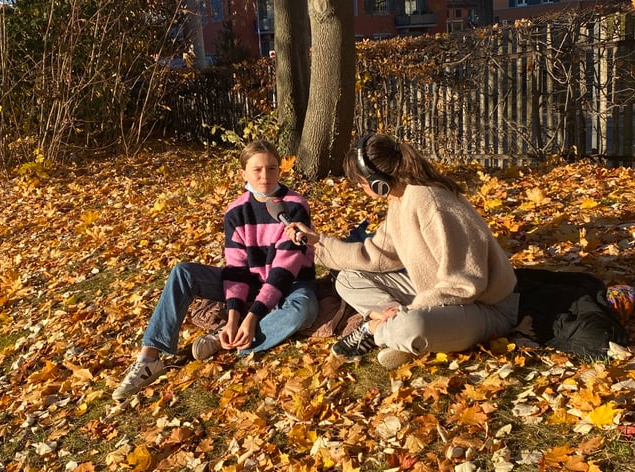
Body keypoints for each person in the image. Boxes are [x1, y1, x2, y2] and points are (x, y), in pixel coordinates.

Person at [286, 133, 519, 370]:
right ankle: (397, 329)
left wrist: (411, 311)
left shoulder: (433, 204)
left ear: (378, 180)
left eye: (360, 182)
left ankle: (376, 329)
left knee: (412, 326)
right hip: (434, 296)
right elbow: (376, 255)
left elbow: (463, 284)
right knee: (347, 278)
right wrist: (318, 243)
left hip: (484, 308)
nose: (359, 187)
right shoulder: (402, 198)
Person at [112, 140, 318, 400]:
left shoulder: (294, 205)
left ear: (280, 170)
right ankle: (149, 357)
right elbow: (237, 268)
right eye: (257, 170)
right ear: (243, 173)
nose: (265, 176)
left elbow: (283, 271)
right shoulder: (235, 211)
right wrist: (233, 316)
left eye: (272, 168)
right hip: (252, 280)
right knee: (183, 272)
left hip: (291, 284)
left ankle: (233, 342)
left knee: (305, 310)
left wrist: (252, 316)